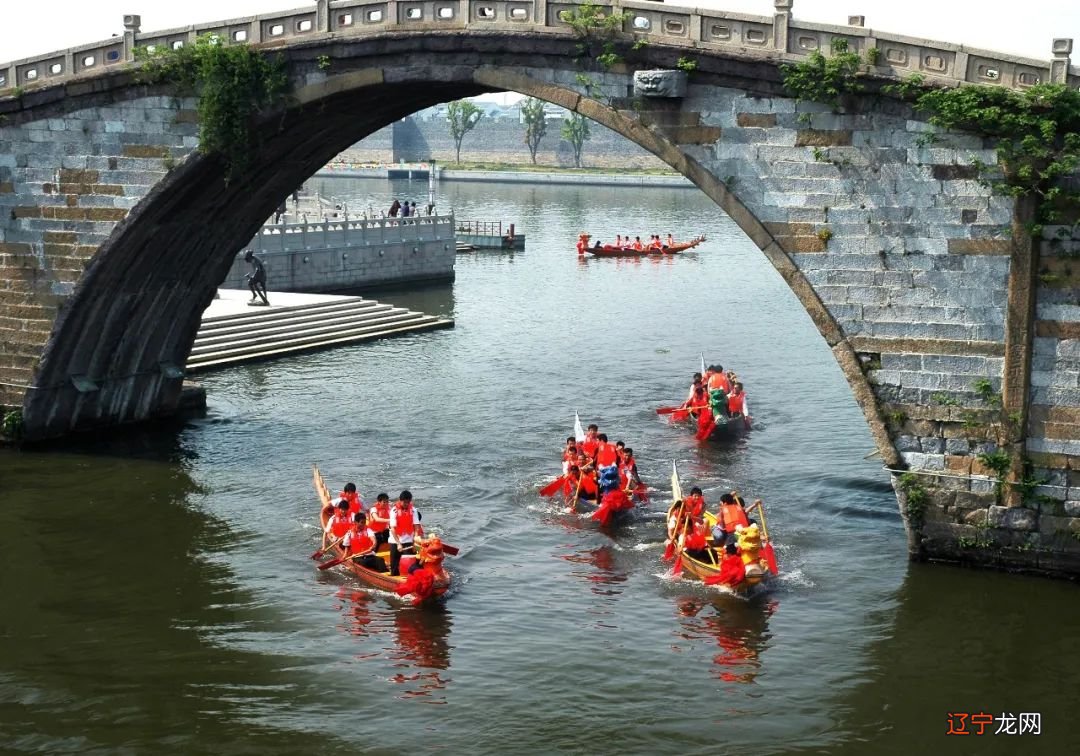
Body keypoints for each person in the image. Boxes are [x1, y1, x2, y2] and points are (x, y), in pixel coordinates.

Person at [389, 490, 423, 576]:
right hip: (395, 540)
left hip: (409, 540)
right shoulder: (394, 510)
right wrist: (398, 544)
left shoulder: (413, 510)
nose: (406, 504)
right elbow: (392, 529)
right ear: (400, 500)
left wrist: (415, 540)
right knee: (394, 566)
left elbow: (416, 526)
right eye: (405, 502)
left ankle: (413, 577)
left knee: (413, 562)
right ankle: (394, 578)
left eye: (408, 502)